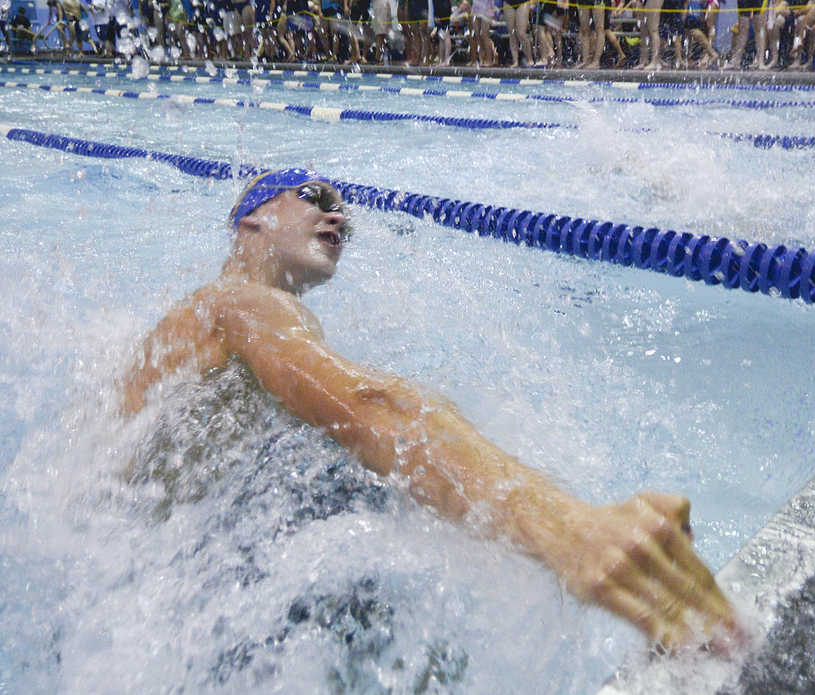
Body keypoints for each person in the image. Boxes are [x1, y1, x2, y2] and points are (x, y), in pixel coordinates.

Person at [119, 168, 740, 652]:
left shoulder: (211, 319)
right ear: (251, 217)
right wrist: (567, 528)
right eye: (316, 196)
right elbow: (369, 404)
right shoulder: (241, 304)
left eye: (345, 213)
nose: (340, 215)